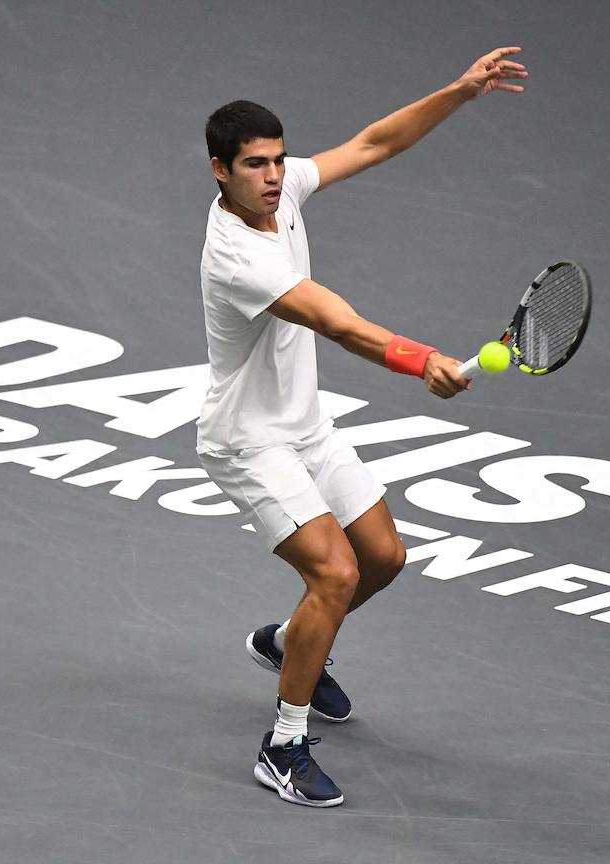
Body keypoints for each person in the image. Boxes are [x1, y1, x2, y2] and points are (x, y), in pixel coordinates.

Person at [196, 47, 527, 808]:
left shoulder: (283, 194)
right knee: (334, 573)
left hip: (304, 424)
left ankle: (287, 645)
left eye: (279, 160)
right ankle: (283, 744)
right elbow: (337, 323)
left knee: (382, 557)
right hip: (248, 440)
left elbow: (375, 142)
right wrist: (423, 361)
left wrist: (459, 92)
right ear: (220, 170)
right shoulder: (237, 256)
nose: (274, 176)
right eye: (255, 166)